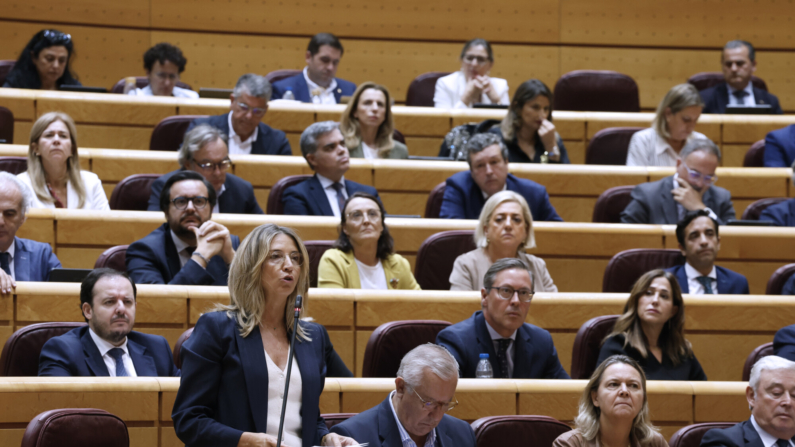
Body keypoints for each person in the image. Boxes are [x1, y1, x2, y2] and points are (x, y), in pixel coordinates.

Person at [172, 223, 358, 447]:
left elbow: (307, 417)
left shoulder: (313, 336)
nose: (289, 265)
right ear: (252, 266)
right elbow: (189, 419)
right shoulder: (217, 328)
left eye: (296, 258)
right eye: (276, 256)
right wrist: (244, 440)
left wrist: (325, 436)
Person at [436, 258, 569, 379]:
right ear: (485, 296)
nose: (516, 301)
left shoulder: (541, 342)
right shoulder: (456, 341)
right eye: (506, 291)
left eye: (523, 293)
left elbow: (564, 397)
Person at [38, 268, 180, 377]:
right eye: (109, 302)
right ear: (88, 310)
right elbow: (59, 408)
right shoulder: (63, 351)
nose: (121, 309)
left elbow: (181, 402)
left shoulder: (157, 348)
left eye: (127, 302)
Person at [330, 343, 476, 447]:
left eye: (444, 404)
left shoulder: (462, 434)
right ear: (401, 387)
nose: (437, 417)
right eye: (428, 403)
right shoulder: (352, 436)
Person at [126, 171, 239, 286]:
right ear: (166, 211)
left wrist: (230, 258)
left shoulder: (228, 244)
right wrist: (201, 255)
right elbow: (157, 303)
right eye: (181, 201)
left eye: (199, 201)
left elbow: (251, 298)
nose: (190, 208)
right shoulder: (144, 251)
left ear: (211, 209)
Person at [597, 269, 707, 381]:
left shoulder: (681, 352)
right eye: (648, 293)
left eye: (664, 296)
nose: (655, 301)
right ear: (636, 301)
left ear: (673, 311)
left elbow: (704, 393)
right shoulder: (617, 346)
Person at [449, 191, 557, 292]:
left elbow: (555, 309)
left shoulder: (537, 266)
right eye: (499, 219)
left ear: (526, 231)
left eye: (516, 219)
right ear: (486, 229)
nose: (508, 225)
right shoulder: (466, 265)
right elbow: (460, 310)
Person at [439, 133, 562, 221]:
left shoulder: (534, 194)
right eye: (480, 165)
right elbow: (450, 234)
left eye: (494, 162)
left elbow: (557, 236)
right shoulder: (458, 187)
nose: (489, 171)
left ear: (506, 163)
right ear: (471, 171)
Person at [552, 355, 668, 447]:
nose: (624, 391)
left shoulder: (655, 443)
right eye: (613, 384)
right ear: (595, 398)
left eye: (633, 385)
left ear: (642, 400)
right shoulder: (570, 444)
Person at [147, 124, 263, 214]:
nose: (217, 172)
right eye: (208, 165)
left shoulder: (242, 190)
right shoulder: (165, 187)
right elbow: (155, 231)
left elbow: (263, 232)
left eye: (223, 163)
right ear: (188, 164)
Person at [620, 138, 735, 224]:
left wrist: (701, 209)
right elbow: (628, 238)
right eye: (694, 174)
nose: (699, 184)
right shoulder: (647, 196)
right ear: (679, 164)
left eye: (708, 178)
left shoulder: (721, 198)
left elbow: (732, 241)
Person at [318, 193, 420, 290]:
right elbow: (332, 307)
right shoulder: (333, 261)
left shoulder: (398, 263)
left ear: (381, 225)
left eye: (372, 214)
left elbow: (420, 305)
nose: (366, 220)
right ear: (345, 228)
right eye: (357, 215)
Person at [283, 121, 380, 217]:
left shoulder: (368, 193)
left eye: (342, 144)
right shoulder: (298, 196)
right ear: (312, 159)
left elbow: (384, 230)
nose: (342, 150)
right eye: (331, 147)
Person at [17, 112, 110, 210]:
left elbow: (106, 224)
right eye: (49, 135)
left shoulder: (91, 183)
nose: (56, 140)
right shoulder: (21, 185)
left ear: (72, 149)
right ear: (36, 148)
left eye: (63, 136)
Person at [700, 356, 795, 447]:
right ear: (752, 396)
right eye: (776, 393)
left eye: (794, 395)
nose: (788, 402)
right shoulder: (723, 441)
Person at [187, 74, 291, 156]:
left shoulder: (277, 143)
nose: (249, 116)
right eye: (244, 107)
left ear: (265, 110)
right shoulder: (200, 130)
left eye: (257, 111)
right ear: (232, 101)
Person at [0, 172, 61, 293]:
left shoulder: (41, 255)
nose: (1, 222)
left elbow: (62, 303)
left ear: (22, 217)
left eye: (9, 214)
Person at [666, 210, 749, 294]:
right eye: (694, 236)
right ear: (682, 248)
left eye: (709, 234)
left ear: (718, 243)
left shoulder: (738, 283)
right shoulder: (666, 282)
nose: (704, 241)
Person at [489, 79, 570, 164]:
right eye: (535, 107)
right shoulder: (496, 138)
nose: (542, 115)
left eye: (546, 109)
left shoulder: (551, 138)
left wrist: (550, 147)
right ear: (518, 108)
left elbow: (564, 176)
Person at [626, 84, 707, 167]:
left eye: (695, 120)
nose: (691, 127)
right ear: (668, 113)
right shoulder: (643, 141)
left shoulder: (701, 142)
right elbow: (636, 180)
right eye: (686, 119)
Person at [700, 40, 783, 115]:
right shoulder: (705, 99)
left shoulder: (770, 101)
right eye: (728, 64)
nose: (734, 69)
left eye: (739, 63)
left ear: (753, 65)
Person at [271, 33, 357, 104]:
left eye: (335, 62)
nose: (330, 67)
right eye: (325, 60)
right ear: (308, 57)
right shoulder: (281, 89)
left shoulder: (350, 90)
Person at [339, 82, 409, 159]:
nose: (375, 108)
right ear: (354, 111)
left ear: (385, 114)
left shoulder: (400, 151)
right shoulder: (340, 146)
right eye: (367, 103)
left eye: (380, 104)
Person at [434, 38, 509, 109]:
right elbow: (442, 121)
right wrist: (465, 99)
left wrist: (496, 101)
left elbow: (509, 121)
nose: (474, 64)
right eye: (469, 58)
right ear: (461, 60)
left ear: (490, 65)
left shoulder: (500, 86)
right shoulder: (445, 84)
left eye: (481, 59)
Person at [3, 29, 81, 90]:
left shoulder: (74, 88)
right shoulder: (14, 86)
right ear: (34, 57)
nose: (56, 66)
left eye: (62, 60)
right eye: (49, 59)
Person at [127, 42, 198, 98]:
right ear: (148, 73)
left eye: (172, 76)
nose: (167, 83)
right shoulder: (136, 98)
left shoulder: (190, 99)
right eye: (162, 75)